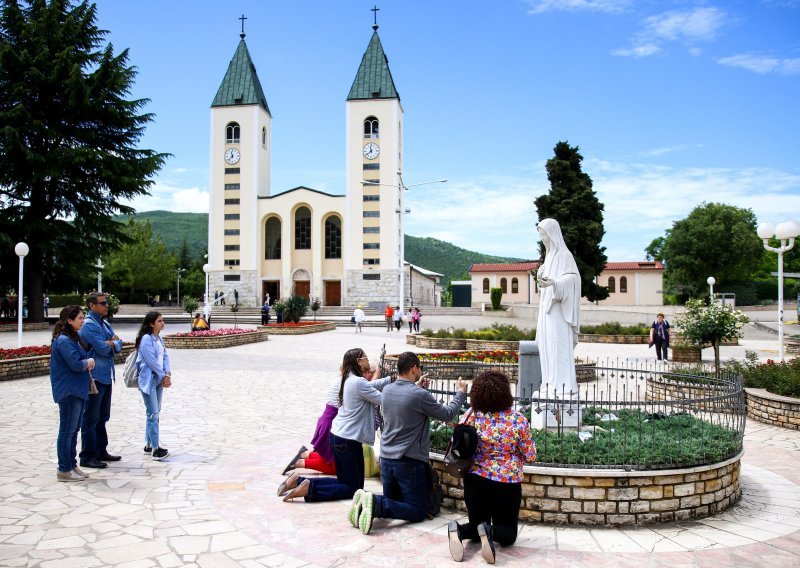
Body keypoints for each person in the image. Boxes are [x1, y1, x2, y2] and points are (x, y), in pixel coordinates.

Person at [350, 351, 467, 535]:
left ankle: (366, 504)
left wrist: (417, 386)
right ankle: (376, 502)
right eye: (420, 367)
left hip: (386, 460)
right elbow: (447, 414)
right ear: (414, 368)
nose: (420, 370)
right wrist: (460, 393)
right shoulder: (419, 395)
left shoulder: (387, 390)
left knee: (395, 503)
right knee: (417, 510)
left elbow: (404, 401)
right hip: (408, 462)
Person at [446, 370, 536, 564]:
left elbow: (459, 440)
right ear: (505, 393)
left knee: (476, 523)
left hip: (475, 480)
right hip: (507, 483)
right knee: (509, 533)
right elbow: (530, 455)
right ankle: (491, 532)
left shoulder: (472, 416)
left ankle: (459, 530)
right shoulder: (518, 420)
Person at [277, 348, 389, 503]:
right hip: (347, 440)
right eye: (366, 358)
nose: (368, 361)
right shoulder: (358, 382)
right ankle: (309, 488)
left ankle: (299, 481)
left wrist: (391, 381)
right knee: (353, 488)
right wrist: (406, 390)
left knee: (347, 483)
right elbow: (384, 400)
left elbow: (371, 385)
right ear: (359, 361)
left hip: (339, 436)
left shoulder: (349, 378)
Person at [535, 218, 581, 397]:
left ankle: (562, 386)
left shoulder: (565, 256)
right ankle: (548, 383)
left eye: (544, 235)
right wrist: (541, 277)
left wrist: (555, 283)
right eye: (541, 236)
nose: (543, 239)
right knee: (546, 348)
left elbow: (573, 280)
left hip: (559, 314)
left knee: (557, 347)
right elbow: (544, 286)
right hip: (546, 312)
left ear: (553, 235)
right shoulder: (549, 258)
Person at [50, 306, 96, 482]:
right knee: (67, 431)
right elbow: (76, 364)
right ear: (69, 320)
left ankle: (71, 465)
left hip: (78, 389)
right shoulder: (63, 341)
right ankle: (64, 469)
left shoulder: (72, 338)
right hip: (69, 391)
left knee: (74, 430)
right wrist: (89, 361)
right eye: (80, 318)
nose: (83, 321)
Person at [79, 292, 122, 469]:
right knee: (91, 418)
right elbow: (103, 349)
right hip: (95, 377)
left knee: (103, 417)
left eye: (106, 303)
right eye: (103, 303)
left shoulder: (104, 323)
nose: (106, 306)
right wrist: (110, 344)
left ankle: (100, 450)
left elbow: (118, 343)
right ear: (92, 306)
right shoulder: (89, 326)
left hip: (106, 376)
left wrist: (111, 343)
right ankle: (87, 455)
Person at [135, 311, 173, 460]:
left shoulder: (158, 339)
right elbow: (151, 361)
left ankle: (149, 444)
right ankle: (156, 449)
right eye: (159, 321)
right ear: (151, 323)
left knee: (155, 412)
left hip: (159, 380)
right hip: (149, 380)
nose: (162, 323)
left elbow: (165, 357)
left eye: (162, 321)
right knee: (153, 414)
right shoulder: (146, 339)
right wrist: (164, 375)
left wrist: (167, 373)